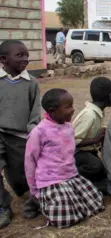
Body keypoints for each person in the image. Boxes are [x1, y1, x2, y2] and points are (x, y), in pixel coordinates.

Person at [25, 89, 104, 228]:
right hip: (51, 181)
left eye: (72, 105)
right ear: (52, 110)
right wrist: (34, 190)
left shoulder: (69, 127)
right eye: (68, 107)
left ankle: (54, 200)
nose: (73, 110)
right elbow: (30, 161)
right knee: (66, 219)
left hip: (70, 176)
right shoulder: (39, 132)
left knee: (95, 204)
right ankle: (37, 201)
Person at [0, 40, 41, 228]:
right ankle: (3, 206)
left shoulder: (31, 83)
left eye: (26, 55)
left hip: (19, 137)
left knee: (20, 179)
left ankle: (25, 191)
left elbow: (34, 114)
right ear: (3, 59)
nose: (25, 59)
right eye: (19, 55)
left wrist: (34, 134)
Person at [73, 77, 111, 194]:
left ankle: (91, 183)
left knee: (103, 171)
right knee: (96, 167)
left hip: (89, 152)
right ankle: (72, 179)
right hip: (77, 153)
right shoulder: (89, 114)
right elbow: (73, 141)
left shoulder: (97, 112)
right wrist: (96, 139)